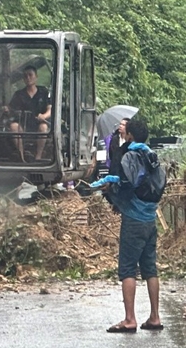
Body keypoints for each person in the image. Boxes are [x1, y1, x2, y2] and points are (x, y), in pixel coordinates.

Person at [90, 119, 163, 333]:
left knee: (128, 269)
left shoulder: (131, 156)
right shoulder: (152, 156)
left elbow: (127, 186)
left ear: (129, 135)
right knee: (150, 269)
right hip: (150, 219)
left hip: (134, 219)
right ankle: (155, 317)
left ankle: (130, 319)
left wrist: (110, 190)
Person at [5, 65, 52, 161]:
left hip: (38, 124)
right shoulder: (18, 94)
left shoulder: (44, 92)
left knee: (43, 127)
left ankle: (38, 157)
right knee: (14, 126)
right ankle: (21, 157)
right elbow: (10, 108)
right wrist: (6, 109)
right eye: (25, 76)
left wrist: (43, 116)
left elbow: (50, 109)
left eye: (30, 75)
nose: (28, 78)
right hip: (23, 125)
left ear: (36, 77)